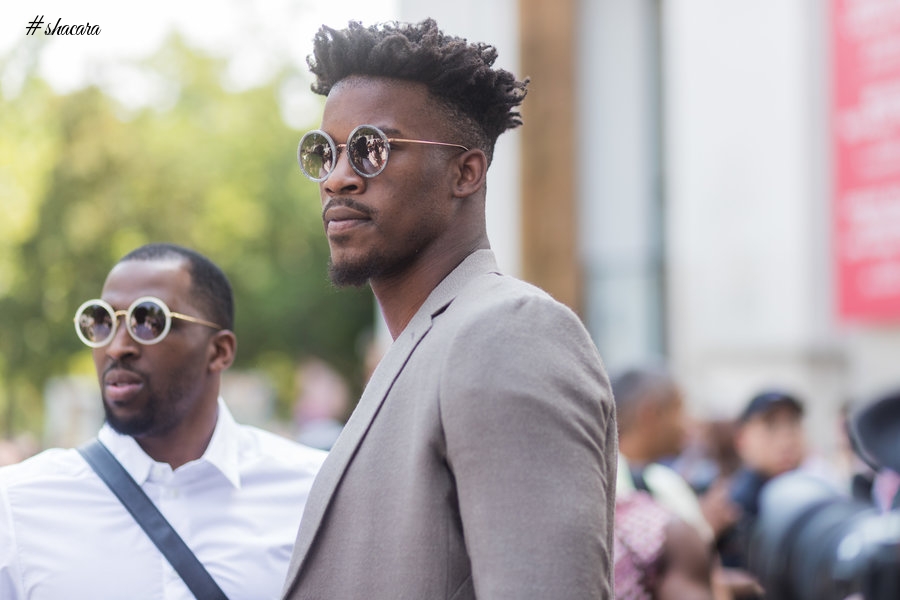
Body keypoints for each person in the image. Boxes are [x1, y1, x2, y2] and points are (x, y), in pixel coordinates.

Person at [281, 18, 617, 599]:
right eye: (325, 152)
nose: (337, 179)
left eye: (371, 149)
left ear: (465, 173)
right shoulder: (423, 347)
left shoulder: (509, 333)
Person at [0, 243, 327, 599]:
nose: (116, 346)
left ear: (219, 351)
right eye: (102, 321)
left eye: (148, 320)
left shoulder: (313, 494)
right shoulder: (16, 506)